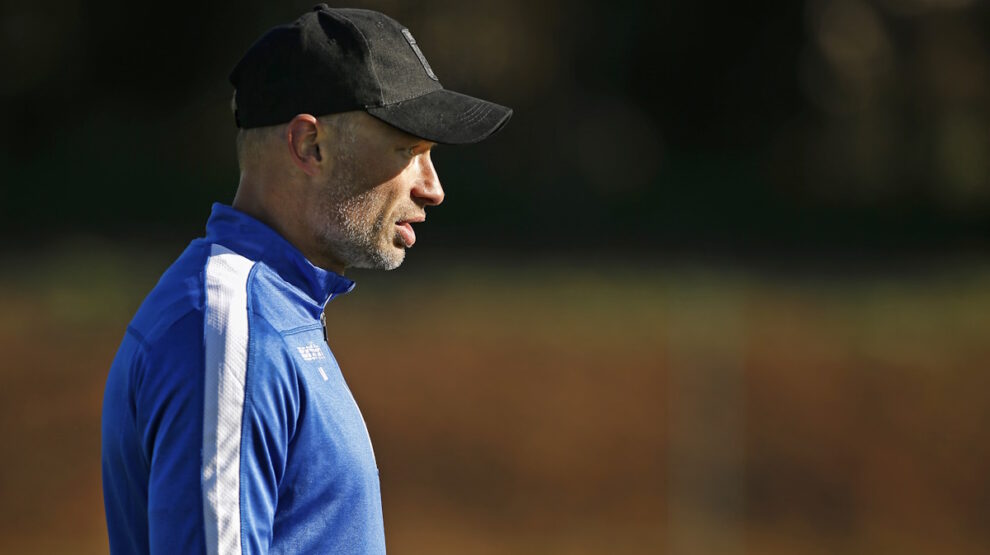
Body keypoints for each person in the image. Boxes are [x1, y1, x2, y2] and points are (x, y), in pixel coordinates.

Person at [100, 5, 511, 554]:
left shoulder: (270, 312)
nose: (433, 188)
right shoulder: (230, 328)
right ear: (309, 146)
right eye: (408, 150)